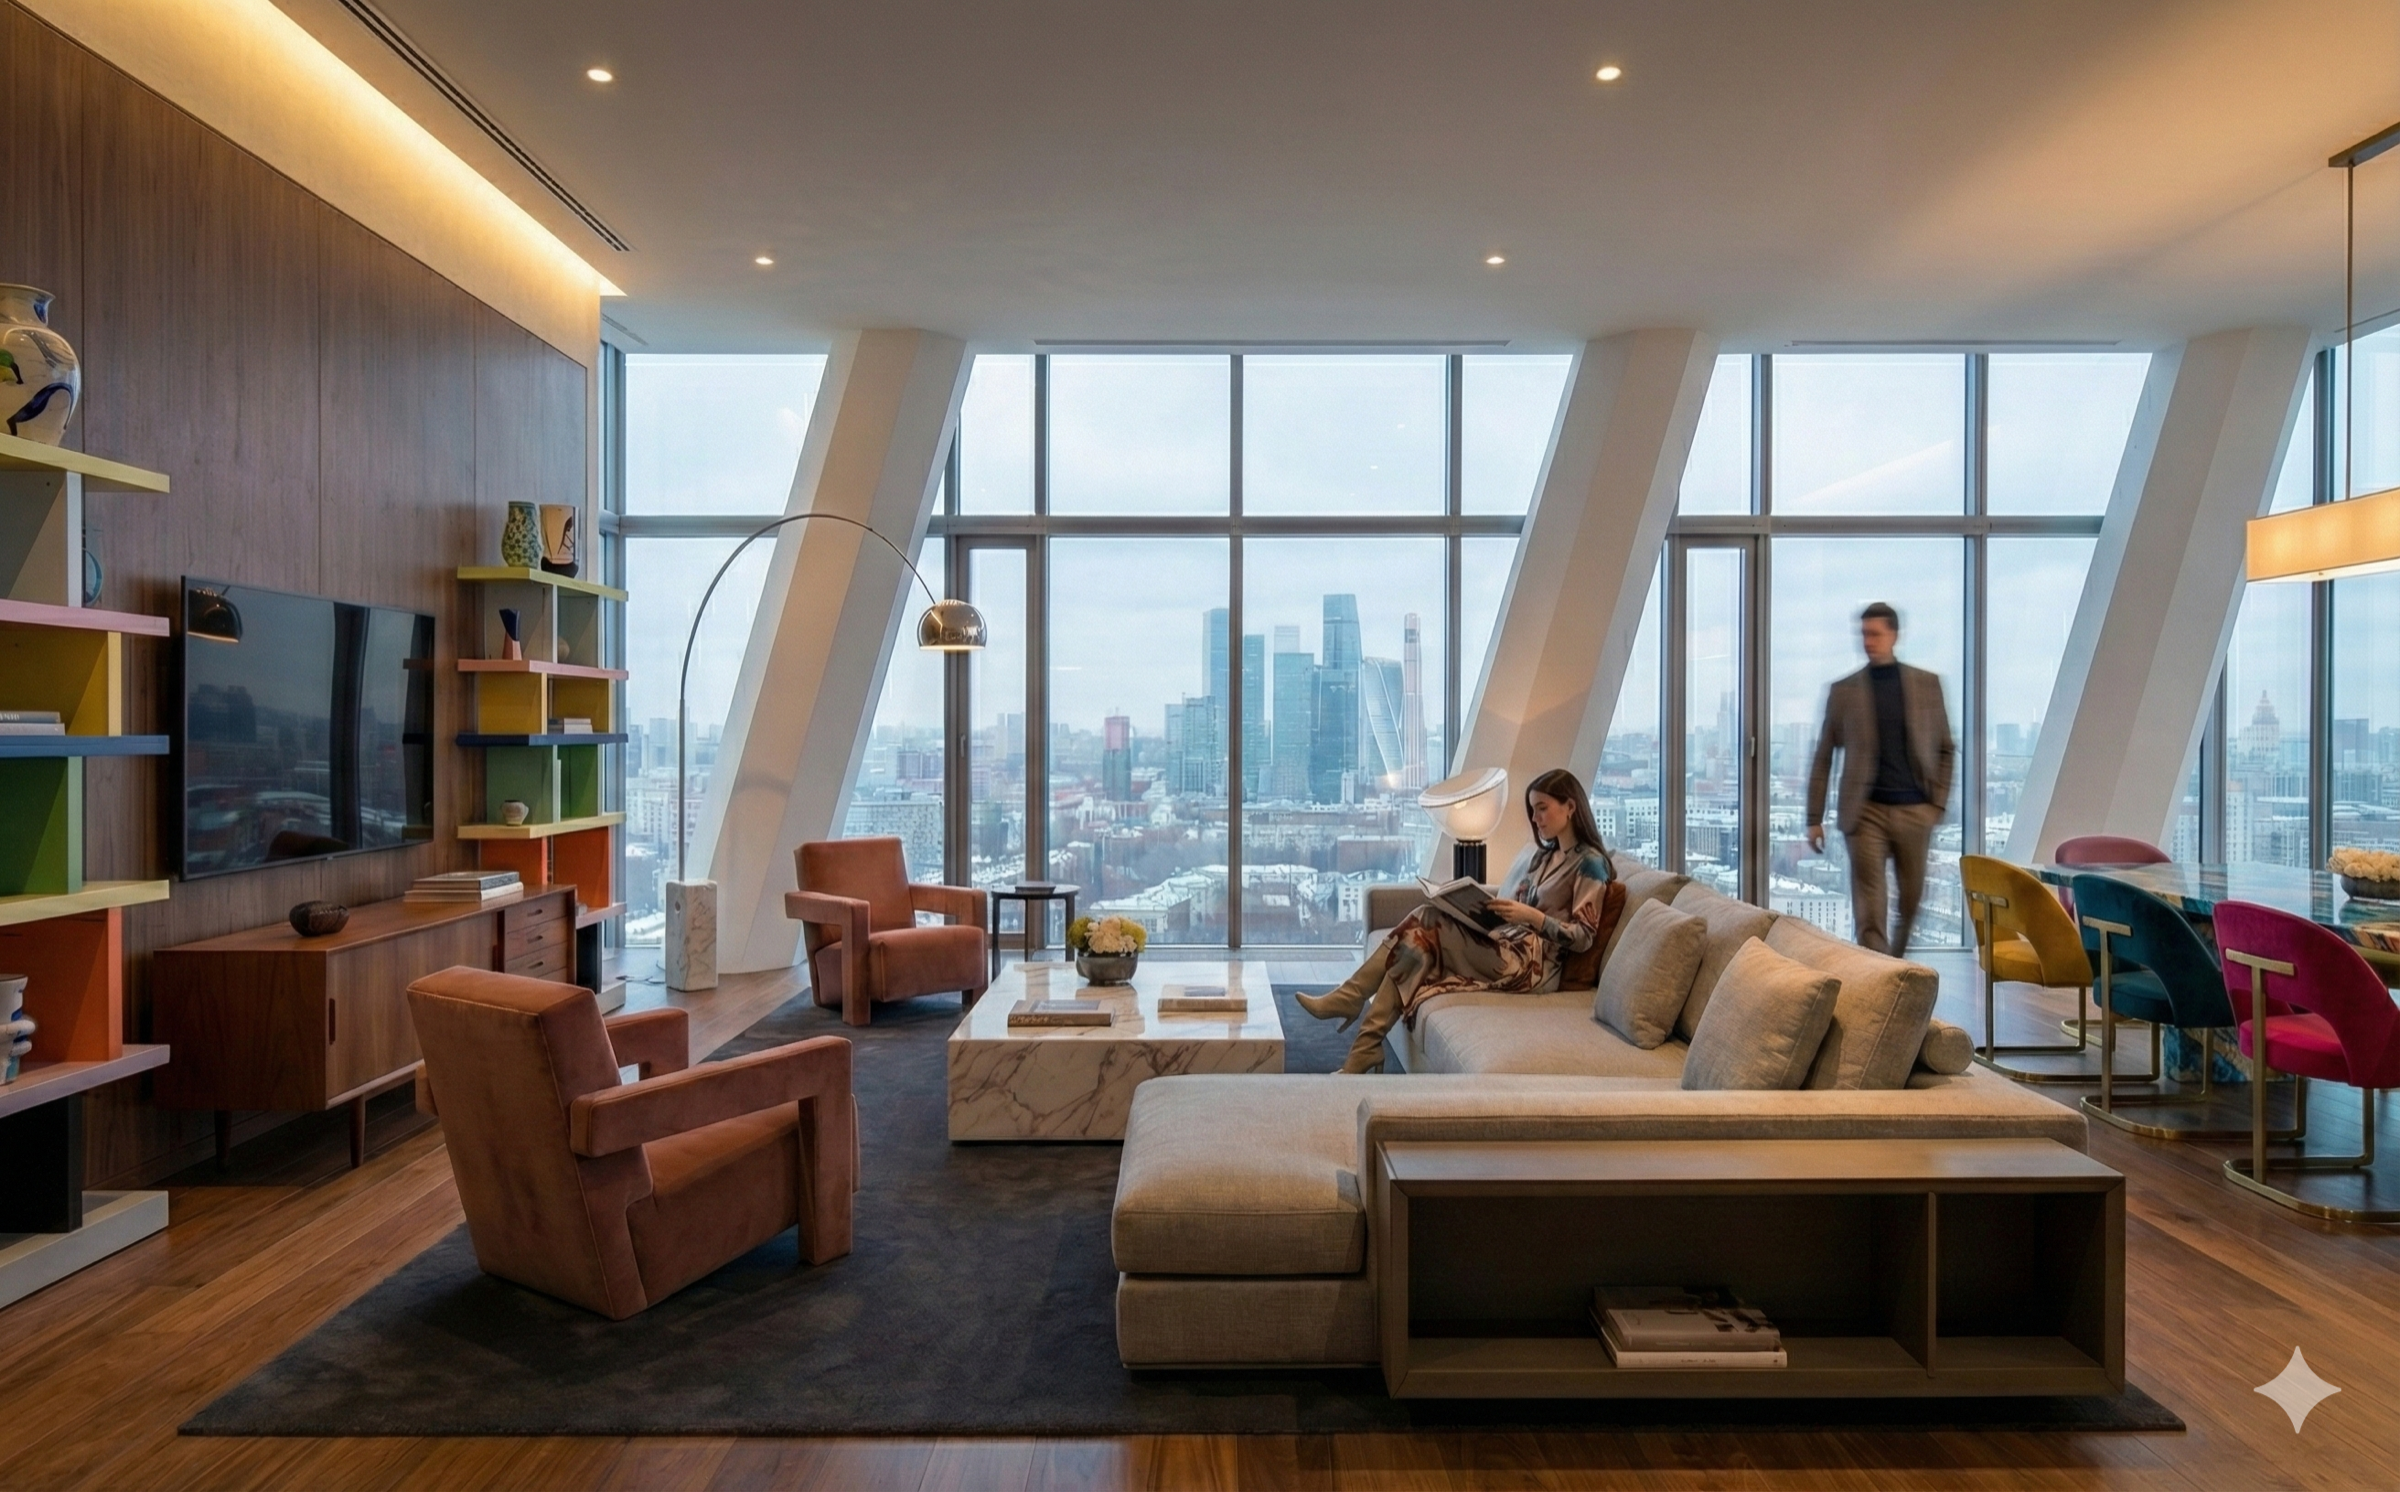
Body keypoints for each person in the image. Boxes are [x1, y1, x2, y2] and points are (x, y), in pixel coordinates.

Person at [1296, 768, 1615, 1074]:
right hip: (1507, 944)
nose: (1535, 818)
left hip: (1533, 967)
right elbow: (1519, 907)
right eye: (1533, 810)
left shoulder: (1590, 864)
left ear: (1570, 807)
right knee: (1415, 945)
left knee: (1424, 923)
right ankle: (1362, 1046)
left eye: (1542, 809)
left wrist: (1534, 917)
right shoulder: (1542, 857)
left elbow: (1584, 935)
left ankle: (1351, 1006)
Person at [1804, 601, 1954, 957]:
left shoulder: (1927, 685)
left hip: (1915, 810)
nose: (1868, 641)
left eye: (1875, 634)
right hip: (1864, 812)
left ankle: (1895, 966)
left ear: (1894, 635)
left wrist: (1937, 803)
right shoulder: (1844, 692)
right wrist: (1814, 817)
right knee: (1870, 909)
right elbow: (1824, 756)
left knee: (1912, 899)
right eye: (1864, 634)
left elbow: (1946, 749)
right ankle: (1879, 975)